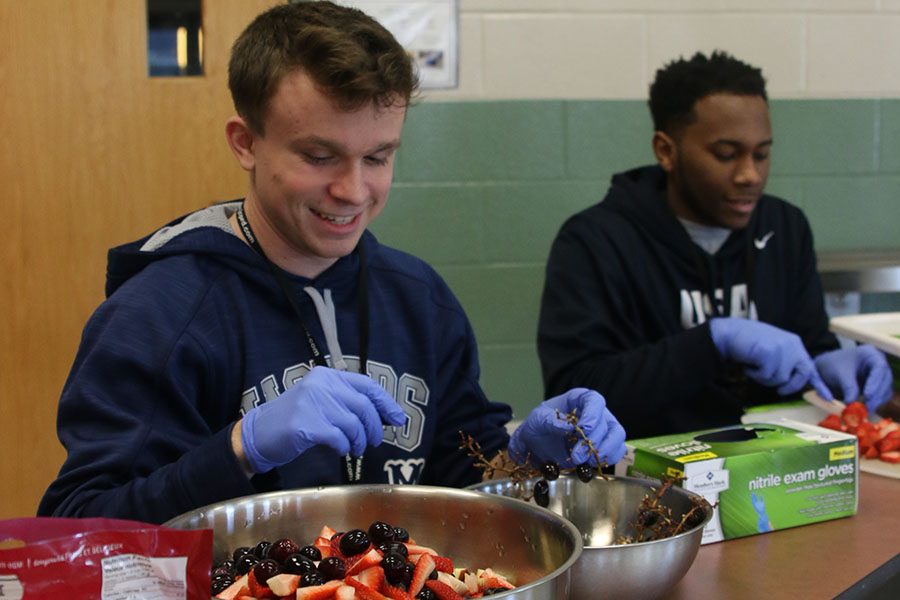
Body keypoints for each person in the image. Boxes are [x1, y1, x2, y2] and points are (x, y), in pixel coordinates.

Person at [38, 1, 626, 525]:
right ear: (245, 142)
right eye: (320, 156)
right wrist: (241, 448)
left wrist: (524, 456)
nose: (353, 190)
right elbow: (79, 523)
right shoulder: (161, 313)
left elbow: (460, 477)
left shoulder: (418, 296)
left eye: (378, 156)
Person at [537, 50, 892, 440]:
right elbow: (573, 392)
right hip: (650, 477)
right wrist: (712, 342)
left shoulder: (784, 228)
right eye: (726, 154)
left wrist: (830, 364)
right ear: (666, 151)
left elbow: (810, 345)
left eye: (762, 153)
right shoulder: (595, 241)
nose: (750, 175)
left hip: (774, 468)